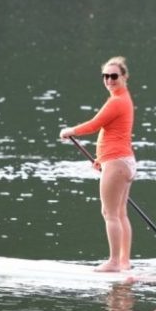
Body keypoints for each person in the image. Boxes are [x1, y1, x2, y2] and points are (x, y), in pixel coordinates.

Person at [59, 56, 136, 272]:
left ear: (124, 77)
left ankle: (114, 262)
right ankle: (124, 262)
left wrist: (69, 131)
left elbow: (94, 125)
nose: (109, 80)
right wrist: (102, 160)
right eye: (106, 76)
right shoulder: (124, 98)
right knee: (120, 213)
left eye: (114, 76)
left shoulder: (117, 101)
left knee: (109, 213)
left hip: (117, 162)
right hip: (123, 161)